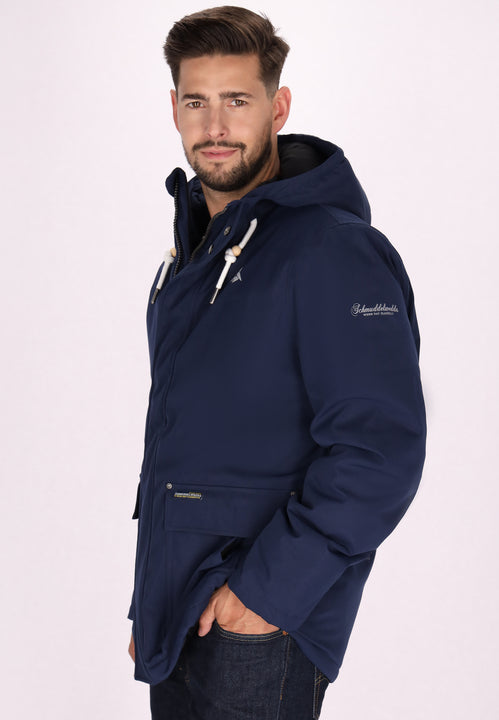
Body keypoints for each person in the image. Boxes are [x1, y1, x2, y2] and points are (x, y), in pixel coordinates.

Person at [127, 6, 426, 719]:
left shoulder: (332, 250)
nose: (215, 126)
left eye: (237, 100)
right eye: (196, 102)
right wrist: (153, 601)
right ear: (173, 109)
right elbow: (187, 445)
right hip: (181, 615)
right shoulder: (196, 255)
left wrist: (263, 596)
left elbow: (379, 448)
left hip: (261, 628)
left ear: (278, 107)